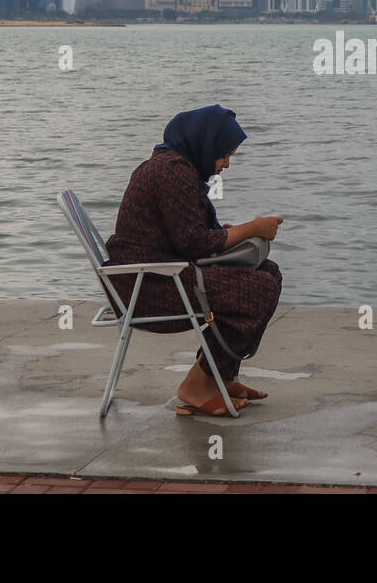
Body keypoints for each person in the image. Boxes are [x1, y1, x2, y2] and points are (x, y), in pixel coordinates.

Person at [105, 105, 284, 417]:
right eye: (224, 154)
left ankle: (220, 376)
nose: (227, 163)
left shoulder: (175, 166)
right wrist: (253, 228)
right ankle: (197, 386)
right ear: (205, 144)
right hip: (148, 286)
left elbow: (186, 235)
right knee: (258, 290)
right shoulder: (172, 172)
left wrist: (231, 235)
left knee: (268, 272)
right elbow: (194, 243)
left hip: (160, 274)